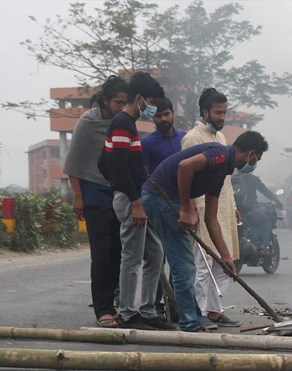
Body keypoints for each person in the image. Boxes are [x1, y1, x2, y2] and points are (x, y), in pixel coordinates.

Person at [142, 131, 269, 332]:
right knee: (183, 266)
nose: (254, 165)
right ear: (251, 154)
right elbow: (185, 167)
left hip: (164, 199)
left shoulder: (222, 171)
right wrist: (185, 209)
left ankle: (192, 320)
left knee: (184, 265)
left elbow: (211, 218)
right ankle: (191, 323)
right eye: (257, 160)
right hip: (161, 198)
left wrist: (225, 257)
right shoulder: (220, 155)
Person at [97, 72, 174, 331]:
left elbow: (104, 163)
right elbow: (117, 167)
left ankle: (147, 310)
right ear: (139, 98)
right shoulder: (122, 123)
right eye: (151, 101)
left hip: (135, 197)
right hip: (132, 201)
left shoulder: (128, 124)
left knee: (155, 253)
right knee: (131, 257)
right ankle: (128, 313)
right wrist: (132, 200)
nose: (152, 107)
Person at [64, 75, 128, 328]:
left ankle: (115, 302)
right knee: (101, 254)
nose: (122, 107)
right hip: (93, 193)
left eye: (125, 102)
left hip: (119, 194)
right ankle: (102, 308)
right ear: (104, 100)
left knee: (118, 252)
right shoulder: (88, 122)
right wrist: (77, 195)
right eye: (117, 102)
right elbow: (73, 162)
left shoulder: (123, 122)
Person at [181, 88, 240, 330]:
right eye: (218, 112)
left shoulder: (222, 139)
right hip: (203, 211)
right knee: (202, 265)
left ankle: (215, 311)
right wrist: (190, 209)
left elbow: (226, 179)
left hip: (223, 210)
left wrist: (233, 206)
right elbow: (185, 177)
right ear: (205, 112)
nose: (222, 117)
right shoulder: (192, 138)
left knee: (223, 264)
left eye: (225, 112)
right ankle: (200, 311)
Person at [141, 96, 186, 317]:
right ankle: (158, 305)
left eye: (166, 114)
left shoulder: (185, 139)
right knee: (159, 258)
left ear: (173, 112)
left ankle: (179, 306)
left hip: (181, 204)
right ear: (153, 118)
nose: (163, 119)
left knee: (179, 258)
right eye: (158, 116)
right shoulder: (147, 143)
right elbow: (144, 175)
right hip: (157, 204)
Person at [233, 172, 284, 253]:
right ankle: (263, 247)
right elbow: (266, 192)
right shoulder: (252, 178)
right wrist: (278, 202)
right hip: (248, 211)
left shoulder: (231, 179)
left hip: (234, 212)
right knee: (266, 221)